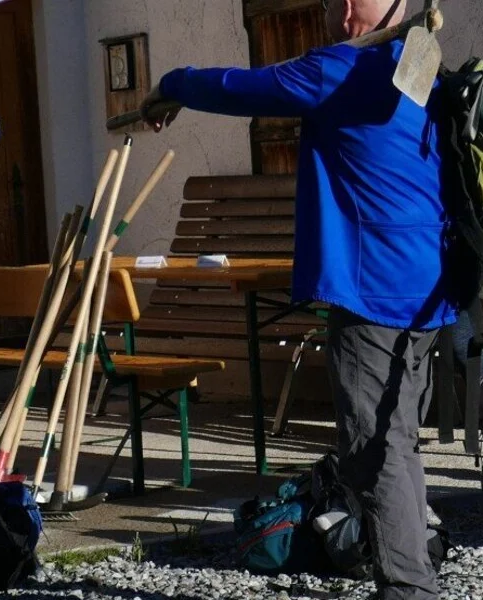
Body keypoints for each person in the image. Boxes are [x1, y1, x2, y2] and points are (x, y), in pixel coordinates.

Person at [139, 0, 452, 596]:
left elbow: (245, 87)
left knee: (371, 450)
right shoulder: (423, 69)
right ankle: (414, 570)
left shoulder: (343, 70)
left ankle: (410, 588)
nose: (338, 5)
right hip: (425, 287)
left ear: (395, 5)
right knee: (397, 438)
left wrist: (171, 84)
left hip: (373, 291)